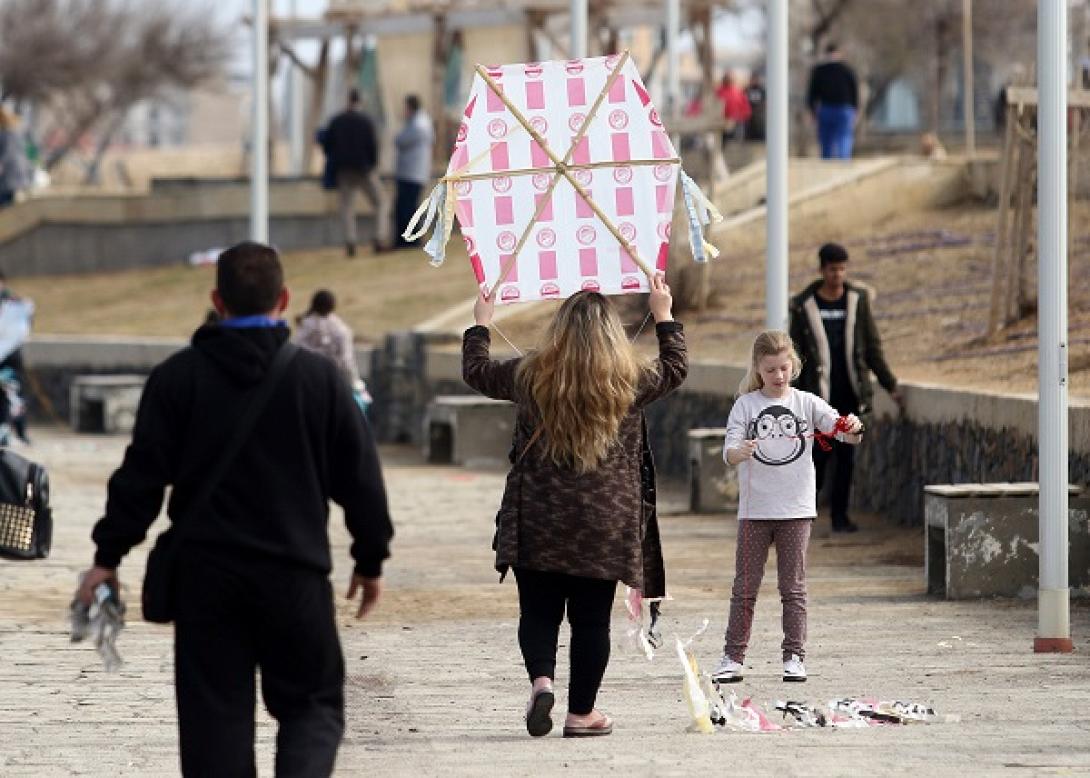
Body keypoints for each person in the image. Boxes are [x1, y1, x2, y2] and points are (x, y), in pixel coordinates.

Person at [77, 242, 393, 776]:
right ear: (284, 298)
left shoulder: (177, 378)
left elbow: (141, 478)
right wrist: (369, 559)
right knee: (312, 706)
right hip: (295, 575)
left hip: (207, 581)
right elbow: (361, 481)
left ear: (217, 300)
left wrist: (107, 556)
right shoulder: (319, 382)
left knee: (214, 723)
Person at [462, 277, 687, 738]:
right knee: (591, 622)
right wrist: (663, 315)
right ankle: (581, 714)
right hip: (603, 522)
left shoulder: (530, 374)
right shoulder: (630, 380)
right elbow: (676, 367)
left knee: (538, 613)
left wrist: (481, 324)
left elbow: (477, 371)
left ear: (560, 329)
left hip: (539, 516)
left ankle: (542, 683)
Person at [711, 330, 863, 685]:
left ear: (793, 365)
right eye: (770, 370)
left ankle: (794, 656)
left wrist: (854, 425)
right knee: (745, 587)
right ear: (758, 370)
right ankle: (733, 657)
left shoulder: (807, 402)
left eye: (783, 368)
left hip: (795, 509)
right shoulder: (746, 406)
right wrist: (740, 452)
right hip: (755, 511)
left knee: (792, 588)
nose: (778, 376)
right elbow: (729, 451)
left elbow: (844, 432)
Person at [788, 242, 901, 533]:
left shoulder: (856, 301)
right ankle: (803, 517)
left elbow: (872, 348)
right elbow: (795, 354)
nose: (838, 274)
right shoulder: (804, 305)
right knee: (818, 457)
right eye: (832, 269)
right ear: (822, 270)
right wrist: (791, 396)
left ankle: (840, 516)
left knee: (847, 458)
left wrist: (890, 384)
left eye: (842, 269)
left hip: (850, 395)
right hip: (818, 397)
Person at [319, 89, 389, 257]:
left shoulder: (337, 120)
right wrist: (372, 164)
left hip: (343, 170)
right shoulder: (366, 121)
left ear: (347, 100)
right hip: (364, 169)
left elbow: (327, 144)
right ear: (360, 101)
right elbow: (373, 146)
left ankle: (350, 241)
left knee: (346, 207)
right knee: (381, 202)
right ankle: (379, 238)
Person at [295, 289, 373, 413]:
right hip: (334, 386)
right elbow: (347, 362)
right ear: (332, 306)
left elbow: (297, 352)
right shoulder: (340, 329)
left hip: (306, 387)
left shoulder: (305, 326)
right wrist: (355, 384)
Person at [393, 95, 435, 248]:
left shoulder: (418, 124)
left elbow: (400, 140)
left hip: (411, 173)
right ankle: (409, 239)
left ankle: (409, 240)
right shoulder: (422, 122)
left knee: (406, 208)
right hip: (414, 173)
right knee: (408, 208)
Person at [806, 43, 859, 159]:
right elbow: (854, 91)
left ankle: (826, 163)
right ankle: (843, 162)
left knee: (826, 139)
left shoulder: (819, 71)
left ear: (826, 54)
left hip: (826, 108)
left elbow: (812, 92)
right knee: (844, 137)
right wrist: (855, 109)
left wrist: (811, 110)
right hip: (844, 108)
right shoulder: (847, 70)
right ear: (838, 54)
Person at [0, 108, 29, 208]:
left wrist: (1, 164)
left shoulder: (6, 134)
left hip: (9, 175)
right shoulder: (16, 132)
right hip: (17, 174)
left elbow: (8, 153)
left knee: (4, 201)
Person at [715, 73, 752, 147]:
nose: (728, 81)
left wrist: (738, 117)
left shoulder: (738, 92)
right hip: (722, 122)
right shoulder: (718, 92)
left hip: (736, 121)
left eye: (729, 79)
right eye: (726, 79)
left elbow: (746, 109)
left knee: (737, 140)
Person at [743, 72, 767, 142]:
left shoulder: (762, 90)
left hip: (759, 116)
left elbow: (764, 101)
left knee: (759, 131)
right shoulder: (747, 90)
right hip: (749, 115)